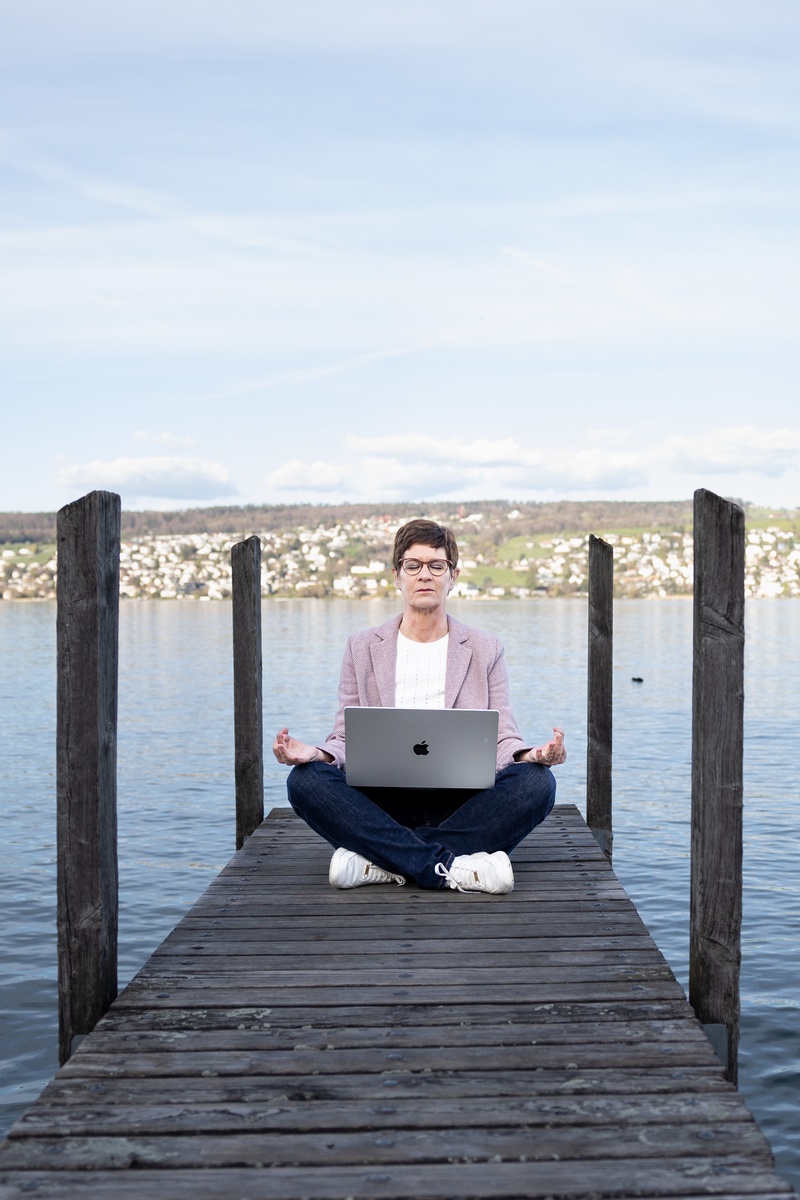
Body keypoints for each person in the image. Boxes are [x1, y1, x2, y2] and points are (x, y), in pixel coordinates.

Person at [273, 518, 566, 894]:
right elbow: (346, 736)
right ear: (397, 575)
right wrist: (317, 753)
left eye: (436, 566)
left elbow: (503, 737)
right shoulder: (361, 647)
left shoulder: (485, 648)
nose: (424, 575)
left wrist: (532, 754)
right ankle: (448, 866)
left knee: (538, 783)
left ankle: (382, 861)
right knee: (305, 781)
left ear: (453, 576)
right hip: (382, 803)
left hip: (463, 804)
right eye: (413, 566)